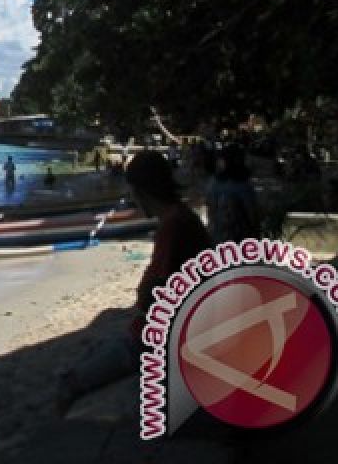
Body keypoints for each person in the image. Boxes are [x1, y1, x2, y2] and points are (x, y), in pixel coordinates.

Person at [56, 151, 212, 413]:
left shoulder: (172, 226)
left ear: (143, 191)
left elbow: (156, 293)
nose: (133, 199)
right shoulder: (182, 218)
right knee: (99, 352)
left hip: (163, 335)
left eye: (133, 192)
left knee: (74, 380)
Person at [206, 144, 259, 242]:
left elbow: (210, 211)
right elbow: (252, 215)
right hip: (240, 237)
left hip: (218, 235)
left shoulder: (213, 183)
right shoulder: (243, 186)